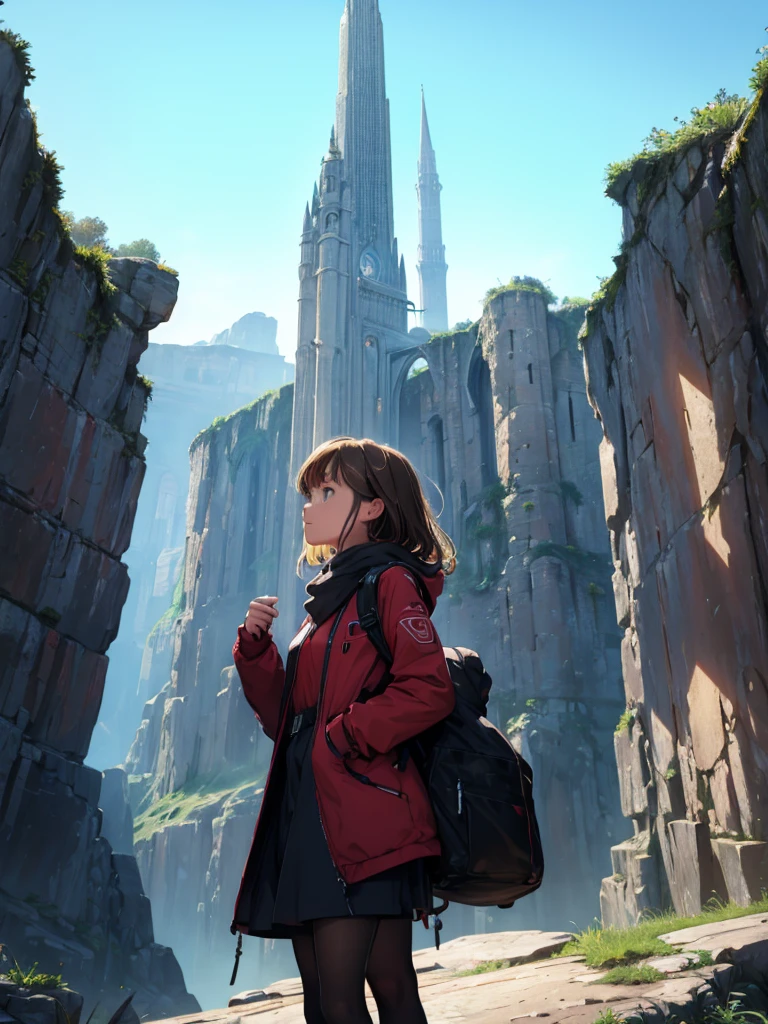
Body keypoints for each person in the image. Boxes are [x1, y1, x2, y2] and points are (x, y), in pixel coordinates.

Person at [230, 436, 457, 1024]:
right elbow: (289, 717)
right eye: (311, 493)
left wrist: (343, 738)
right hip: (314, 811)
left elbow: (429, 688)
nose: (311, 506)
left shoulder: (389, 584)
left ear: (374, 505)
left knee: (342, 999)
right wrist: (256, 652)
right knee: (369, 989)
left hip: (363, 811)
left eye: (329, 491)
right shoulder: (328, 602)